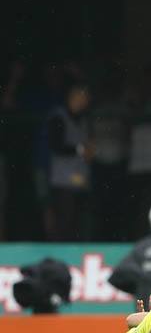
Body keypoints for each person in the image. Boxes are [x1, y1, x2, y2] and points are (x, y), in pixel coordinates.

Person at [45, 82, 92, 241]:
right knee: (63, 222)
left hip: (80, 179)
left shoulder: (83, 119)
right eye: (82, 97)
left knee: (77, 222)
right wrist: (80, 150)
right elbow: (55, 145)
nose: (85, 101)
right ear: (72, 97)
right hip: (63, 180)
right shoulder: (58, 117)